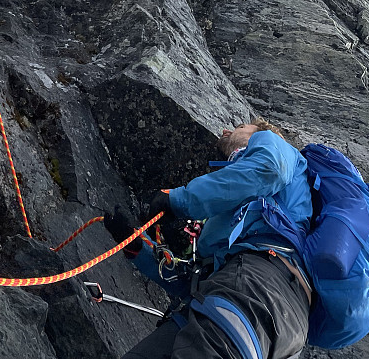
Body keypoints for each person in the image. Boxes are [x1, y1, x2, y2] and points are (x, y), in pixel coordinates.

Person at [105, 119, 313, 359]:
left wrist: (178, 200)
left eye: (239, 127)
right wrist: (137, 248)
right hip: (274, 320)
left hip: (257, 289)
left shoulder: (272, 143)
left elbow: (270, 168)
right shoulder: (247, 221)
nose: (227, 131)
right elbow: (194, 281)